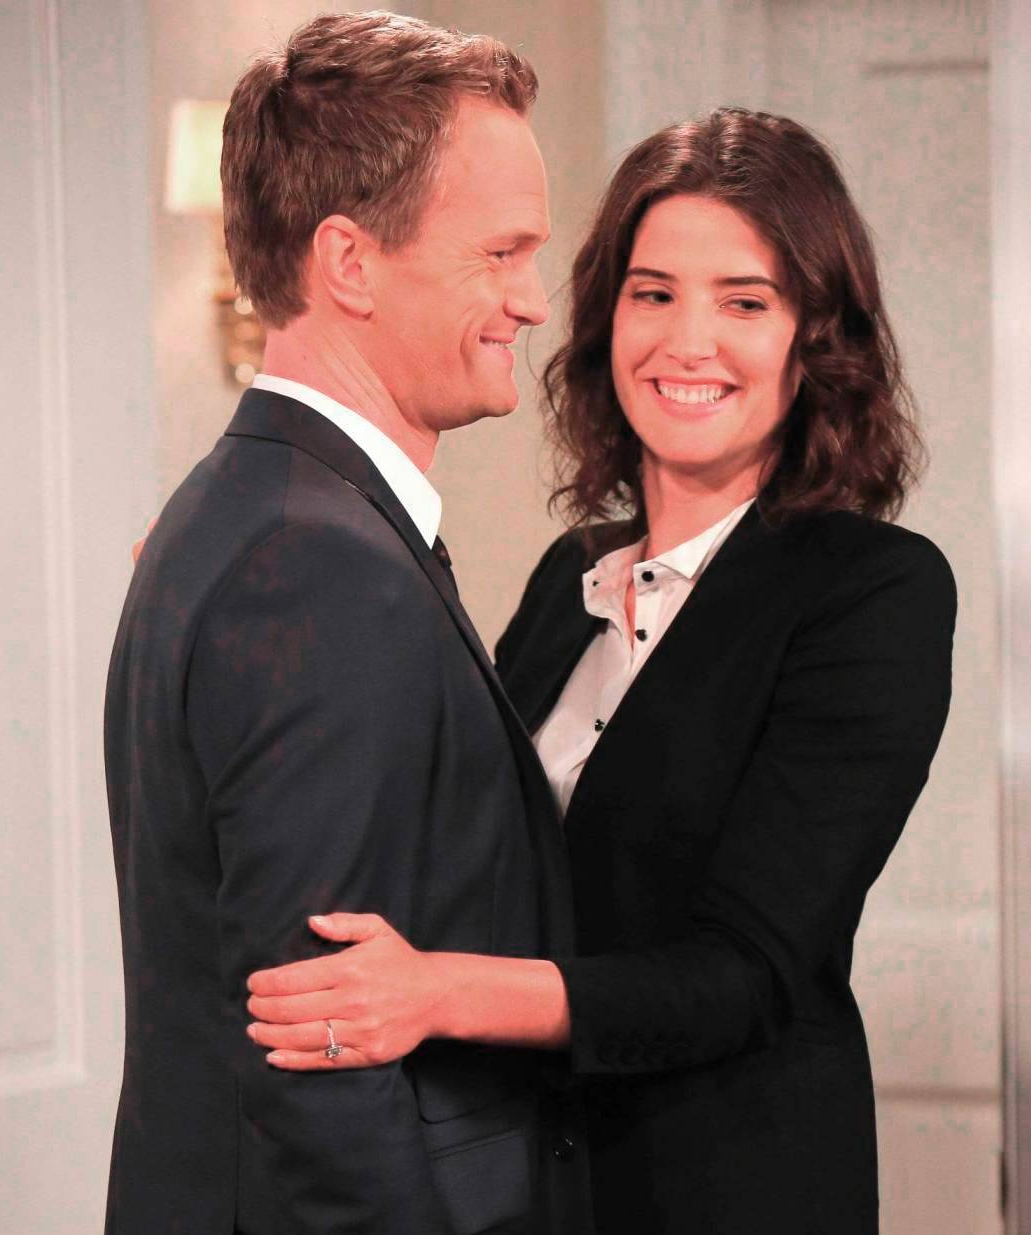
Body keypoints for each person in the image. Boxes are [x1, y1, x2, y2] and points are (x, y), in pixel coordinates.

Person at [244, 108, 957, 1235]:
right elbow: (457, 832)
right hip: (536, 1184)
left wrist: (435, 993)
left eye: (746, 302)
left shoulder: (874, 591)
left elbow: (742, 973)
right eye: (653, 292)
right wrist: (266, 605)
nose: (688, 342)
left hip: (732, 1193)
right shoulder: (566, 576)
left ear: (816, 338)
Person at [104, 12, 593, 1235]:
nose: (531, 302)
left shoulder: (242, 510)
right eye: (500, 252)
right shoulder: (318, 563)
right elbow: (317, 1058)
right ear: (349, 262)